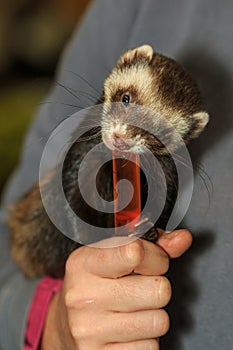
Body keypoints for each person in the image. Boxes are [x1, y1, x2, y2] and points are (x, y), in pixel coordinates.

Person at [0, 0, 233, 349]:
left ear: (185, 138)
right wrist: (52, 322)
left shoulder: (161, 176)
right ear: (127, 62)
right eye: (126, 100)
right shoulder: (127, 9)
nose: (125, 131)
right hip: (44, 250)